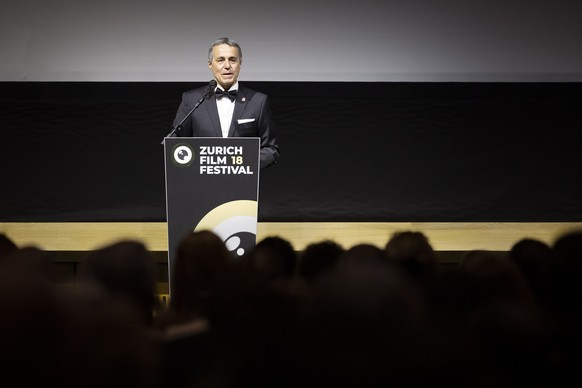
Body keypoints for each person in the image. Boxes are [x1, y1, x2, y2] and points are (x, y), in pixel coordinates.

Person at [172, 37, 279, 170]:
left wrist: (243, 163)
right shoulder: (192, 99)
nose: (227, 66)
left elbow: (271, 149)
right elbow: (176, 144)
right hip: (201, 185)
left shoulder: (258, 101)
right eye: (220, 60)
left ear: (240, 63)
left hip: (243, 185)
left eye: (233, 60)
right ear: (210, 64)